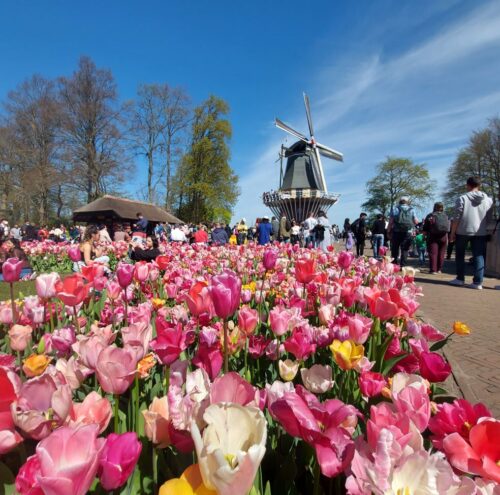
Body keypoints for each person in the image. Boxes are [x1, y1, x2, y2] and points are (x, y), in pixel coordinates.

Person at [449, 176, 493, 289]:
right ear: (480, 185)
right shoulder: (488, 200)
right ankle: (478, 282)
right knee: (479, 256)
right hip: (481, 231)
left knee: (460, 255)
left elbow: (456, 218)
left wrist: (452, 233)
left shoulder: (462, 198)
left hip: (463, 230)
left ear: (467, 185)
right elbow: (489, 219)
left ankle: (460, 279)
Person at [387, 197, 419, 267]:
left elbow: (391, 221)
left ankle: (394, 264)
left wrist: (388, 231)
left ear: (400, 201)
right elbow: (416, 221)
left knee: (395, 248)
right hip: (408, 232)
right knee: (405, 249)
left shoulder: (395, 209)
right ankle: (403, 265)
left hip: (396, 232)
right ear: (407, 202)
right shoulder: (412, 209)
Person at [423, 202, 450, 274]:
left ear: (434, 207)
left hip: (432, 236)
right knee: (441, 253)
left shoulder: (430, 215)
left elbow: (425, 227)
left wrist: (424, 236)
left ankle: (433, 269)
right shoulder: (446, 215)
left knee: (433, 253)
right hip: (444, 236)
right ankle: (439, 269)